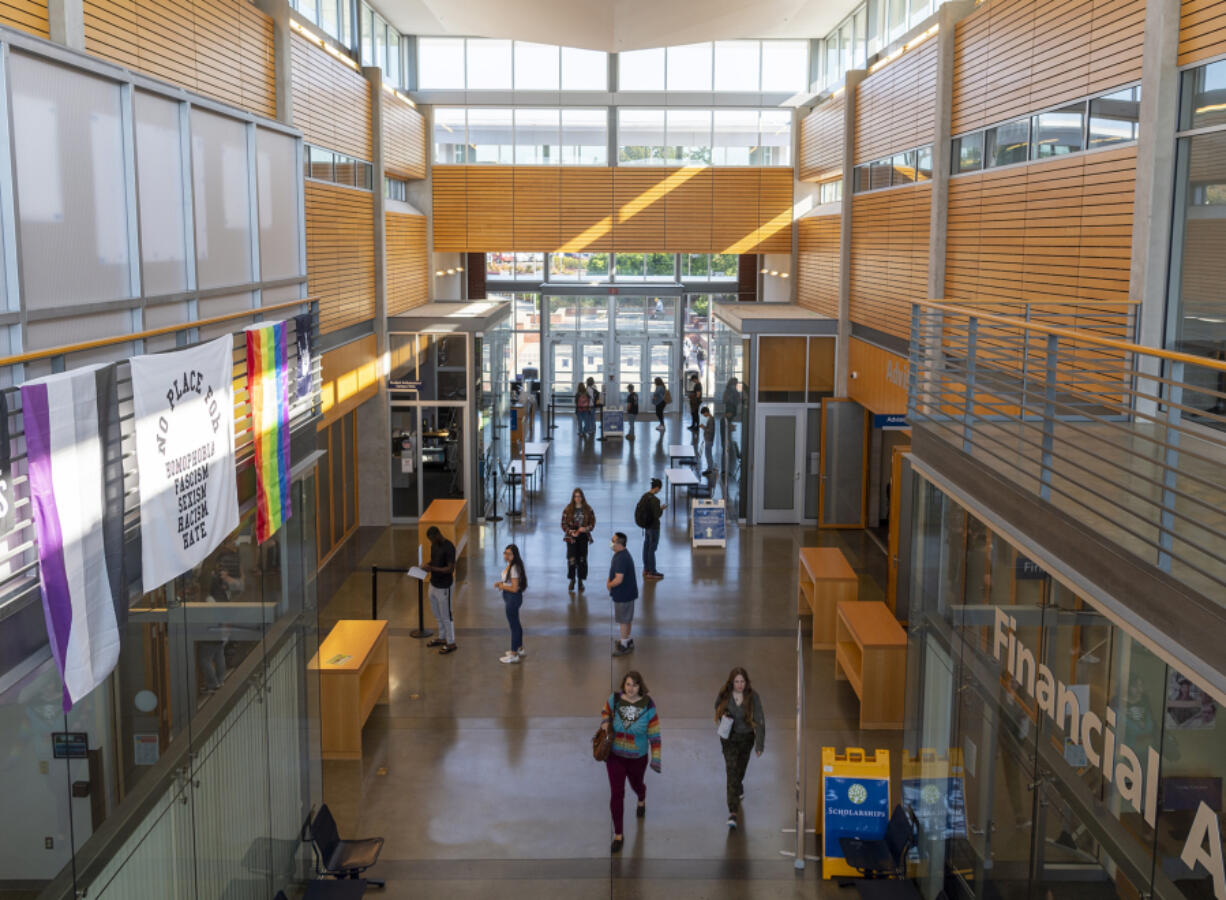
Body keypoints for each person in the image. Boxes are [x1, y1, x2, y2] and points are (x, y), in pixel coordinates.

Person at [600, 670, 661, 853]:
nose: (631, 688)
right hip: (615, 756)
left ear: (640, 686)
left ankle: (641, 797)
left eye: (634, 685)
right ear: (623, 685)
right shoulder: (615, 699)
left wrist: (656, 757)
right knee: (616, 794)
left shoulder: (648, 705)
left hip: (637, 758)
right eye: (628, 684)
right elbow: (606, 711)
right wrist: (604, 722)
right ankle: (618, 834)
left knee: (636, 785)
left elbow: (655, 734)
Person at [714, 667, 765, 829]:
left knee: (739, 770)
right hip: (729, 739)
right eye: (737, 681)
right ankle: (733, 812)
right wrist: (722, 716)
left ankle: (739, 784)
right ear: (732, 682)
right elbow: (716, 707)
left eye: (742, 681)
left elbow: (760, 720)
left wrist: (759, 744)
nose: (740, 685)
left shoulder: (753, 697)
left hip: (746, 739)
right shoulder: (725, 695)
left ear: (746, 682)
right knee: (731, 770)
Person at [423, 525, 458, 654]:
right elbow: (434, 561)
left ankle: (451, 642)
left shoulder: (449, 547)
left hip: (445, 586)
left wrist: (432, 569)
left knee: (446, 615)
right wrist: (428, 564)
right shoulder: (434, 545)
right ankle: (442, 638)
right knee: (437, 614)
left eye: (432, 539)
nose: (431, 542)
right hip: (433, 584)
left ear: (438, 535)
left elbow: (450, 569)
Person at [494, 544, 527, 664]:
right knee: (516, 623)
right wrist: (501, 583)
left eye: (509, 554)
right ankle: (519, 648)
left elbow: (514, 588)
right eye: (505, 553)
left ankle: (514, 654)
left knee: (514, 626)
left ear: (515, 555)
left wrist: (502, 586)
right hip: (511, 598)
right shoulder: (511, 565)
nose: (506, 556)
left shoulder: (514, 568)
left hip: (513, 599)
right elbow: (509, 582)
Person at [607, 532, 638, 656]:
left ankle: (624, 644)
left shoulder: (621, 558)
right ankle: (627, 639)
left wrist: (609, 584)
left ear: (619, 544)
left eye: (613, 541)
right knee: (627, 618)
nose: (611, 543)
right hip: (627, 593)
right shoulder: (621, 554)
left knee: (623, 620)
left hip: (624, 595)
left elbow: (619, 579)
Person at [561, 488, 596, 592]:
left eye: (579, 496)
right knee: (571, 560)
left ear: (582, 497)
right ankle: (572, 580)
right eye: (576, 496)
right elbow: (563, 524)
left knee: (582, 560)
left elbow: (592, 524)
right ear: (573, 497)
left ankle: (580, 581)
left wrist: (584, 529)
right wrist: (571, 532)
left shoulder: (588, 509)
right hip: (571, 538)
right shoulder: (568, 509)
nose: (578, 498)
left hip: (583, 537)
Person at [634, 478, 665, 580]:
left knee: (646, 547)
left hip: (646, 527)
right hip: (654, 527)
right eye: (659, 489)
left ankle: (646, 569)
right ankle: (652, 571)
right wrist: (661, 509)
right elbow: (657, 515)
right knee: (652, 549)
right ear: (656, 488)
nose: (659, 491)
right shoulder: (655, 500)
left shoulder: (644, 496)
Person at [700, 405, 716, 476]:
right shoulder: (710, 419)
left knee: (708, 455)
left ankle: (710, 469)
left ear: (706, 412)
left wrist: (704, 428)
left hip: (709, 439)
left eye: (704, 414)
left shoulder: (711, 419)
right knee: (708, 454)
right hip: (708, 439)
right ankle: (710, 468)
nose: (704, 415)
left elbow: (710, 430)